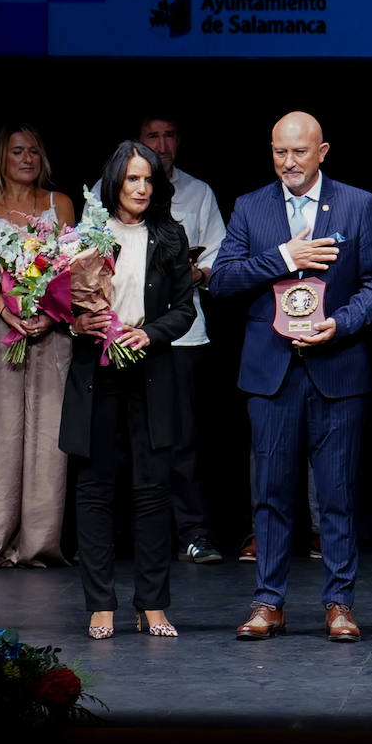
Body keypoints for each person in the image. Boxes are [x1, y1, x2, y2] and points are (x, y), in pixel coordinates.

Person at [210, 111, 372, 643]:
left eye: (299, 152)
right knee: (269, 491)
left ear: (322, 151)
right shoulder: (250, 207)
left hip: (337, 367)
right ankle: (269, 603)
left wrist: (341, 324)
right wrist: (284, 256)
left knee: (336, 493)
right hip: (271, 374)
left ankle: (339, 603)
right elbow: (221, 282)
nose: (288, 162)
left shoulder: (358, 204)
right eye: (279, 152)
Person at [59, 141, 195, 639]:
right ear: (114, 181)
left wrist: (151, 332)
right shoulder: (84, 236)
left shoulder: (169, 234)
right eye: (132, 178)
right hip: (95, 372)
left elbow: (185, 309)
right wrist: (79, 322)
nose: (140, 188)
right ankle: (100, 604)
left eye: (148, 180)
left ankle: (153, 604)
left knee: (153, 492)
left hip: (150, 369)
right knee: (94, 491)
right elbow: (56, 307)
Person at [0, 125, 76, 569]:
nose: (27, 158)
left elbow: (74, 269)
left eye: (34, 150)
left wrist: (49, 313)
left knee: (49, 438)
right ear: (2, 158)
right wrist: (3, 306)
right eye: (17, 151)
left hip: (52, 330)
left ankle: (40, 545)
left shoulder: (60, 203)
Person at [137, 114, 227, 564]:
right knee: (129, 437)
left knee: (183, 438)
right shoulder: (105, 190)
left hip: (183, 334)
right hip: (126, 334)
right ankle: (133, 535)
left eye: (169, 134)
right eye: (153, 135)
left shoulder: (199, 192)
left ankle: (193, 532)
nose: (162, 143)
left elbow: (218, 258)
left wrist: (193, 271)